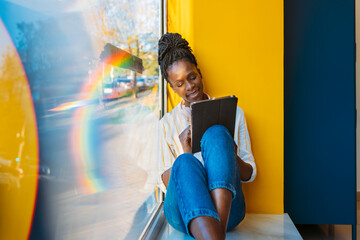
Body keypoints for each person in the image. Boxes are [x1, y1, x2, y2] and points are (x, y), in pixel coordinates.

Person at [157, 33, 257, 240]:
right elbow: (164, 182)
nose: (190, 86)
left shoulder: (234, 113)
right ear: (172, 87)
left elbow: (249, 174)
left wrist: (230, 154)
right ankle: (216, 235)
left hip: (229, 213)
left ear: (200, 73)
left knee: (218, 133)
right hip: (184, 212)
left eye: (192, 77)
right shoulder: (166, 124)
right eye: (180, 83)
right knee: (184, 162)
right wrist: (186, 153)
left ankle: (214, 233)